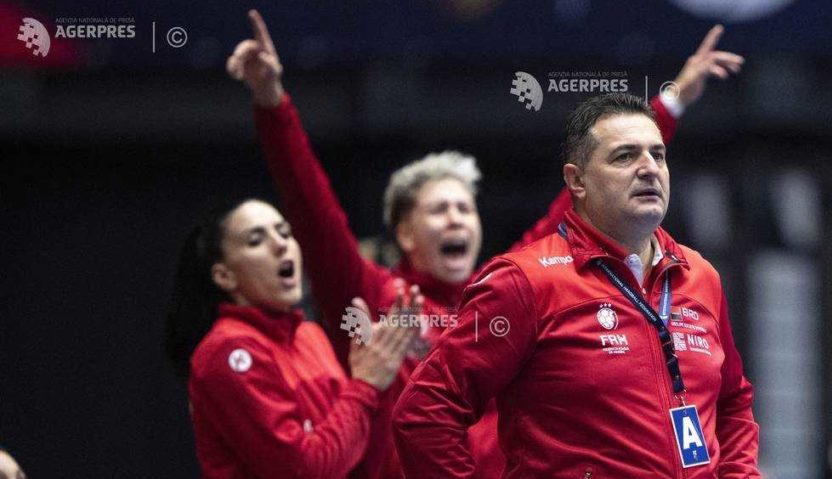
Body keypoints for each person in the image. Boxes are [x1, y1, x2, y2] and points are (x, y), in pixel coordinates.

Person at [226, 10, 744, 478]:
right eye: (438, 209)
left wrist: (671, 103)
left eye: (465, 208)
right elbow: (313, 212)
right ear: (404, 231)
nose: (458, 220)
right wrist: (272, 104)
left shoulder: (508, 280)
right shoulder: (376, 299)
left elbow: (598, 197)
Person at [392, 93, 760, 478]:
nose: (650, 168)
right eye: (625, 156)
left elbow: (732, 402)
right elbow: (425, 412)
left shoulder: (699, 275)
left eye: (658, 155)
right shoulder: (526, 281)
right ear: (577, 181)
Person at [164, 198, 417, 479]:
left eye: (284, 232)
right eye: (256, 240)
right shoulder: (228, 348)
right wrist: (366, 385)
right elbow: (300, 470)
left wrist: (380, 385)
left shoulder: (312, 337)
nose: (281, 244)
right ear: (225, 276)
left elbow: (359, 464)